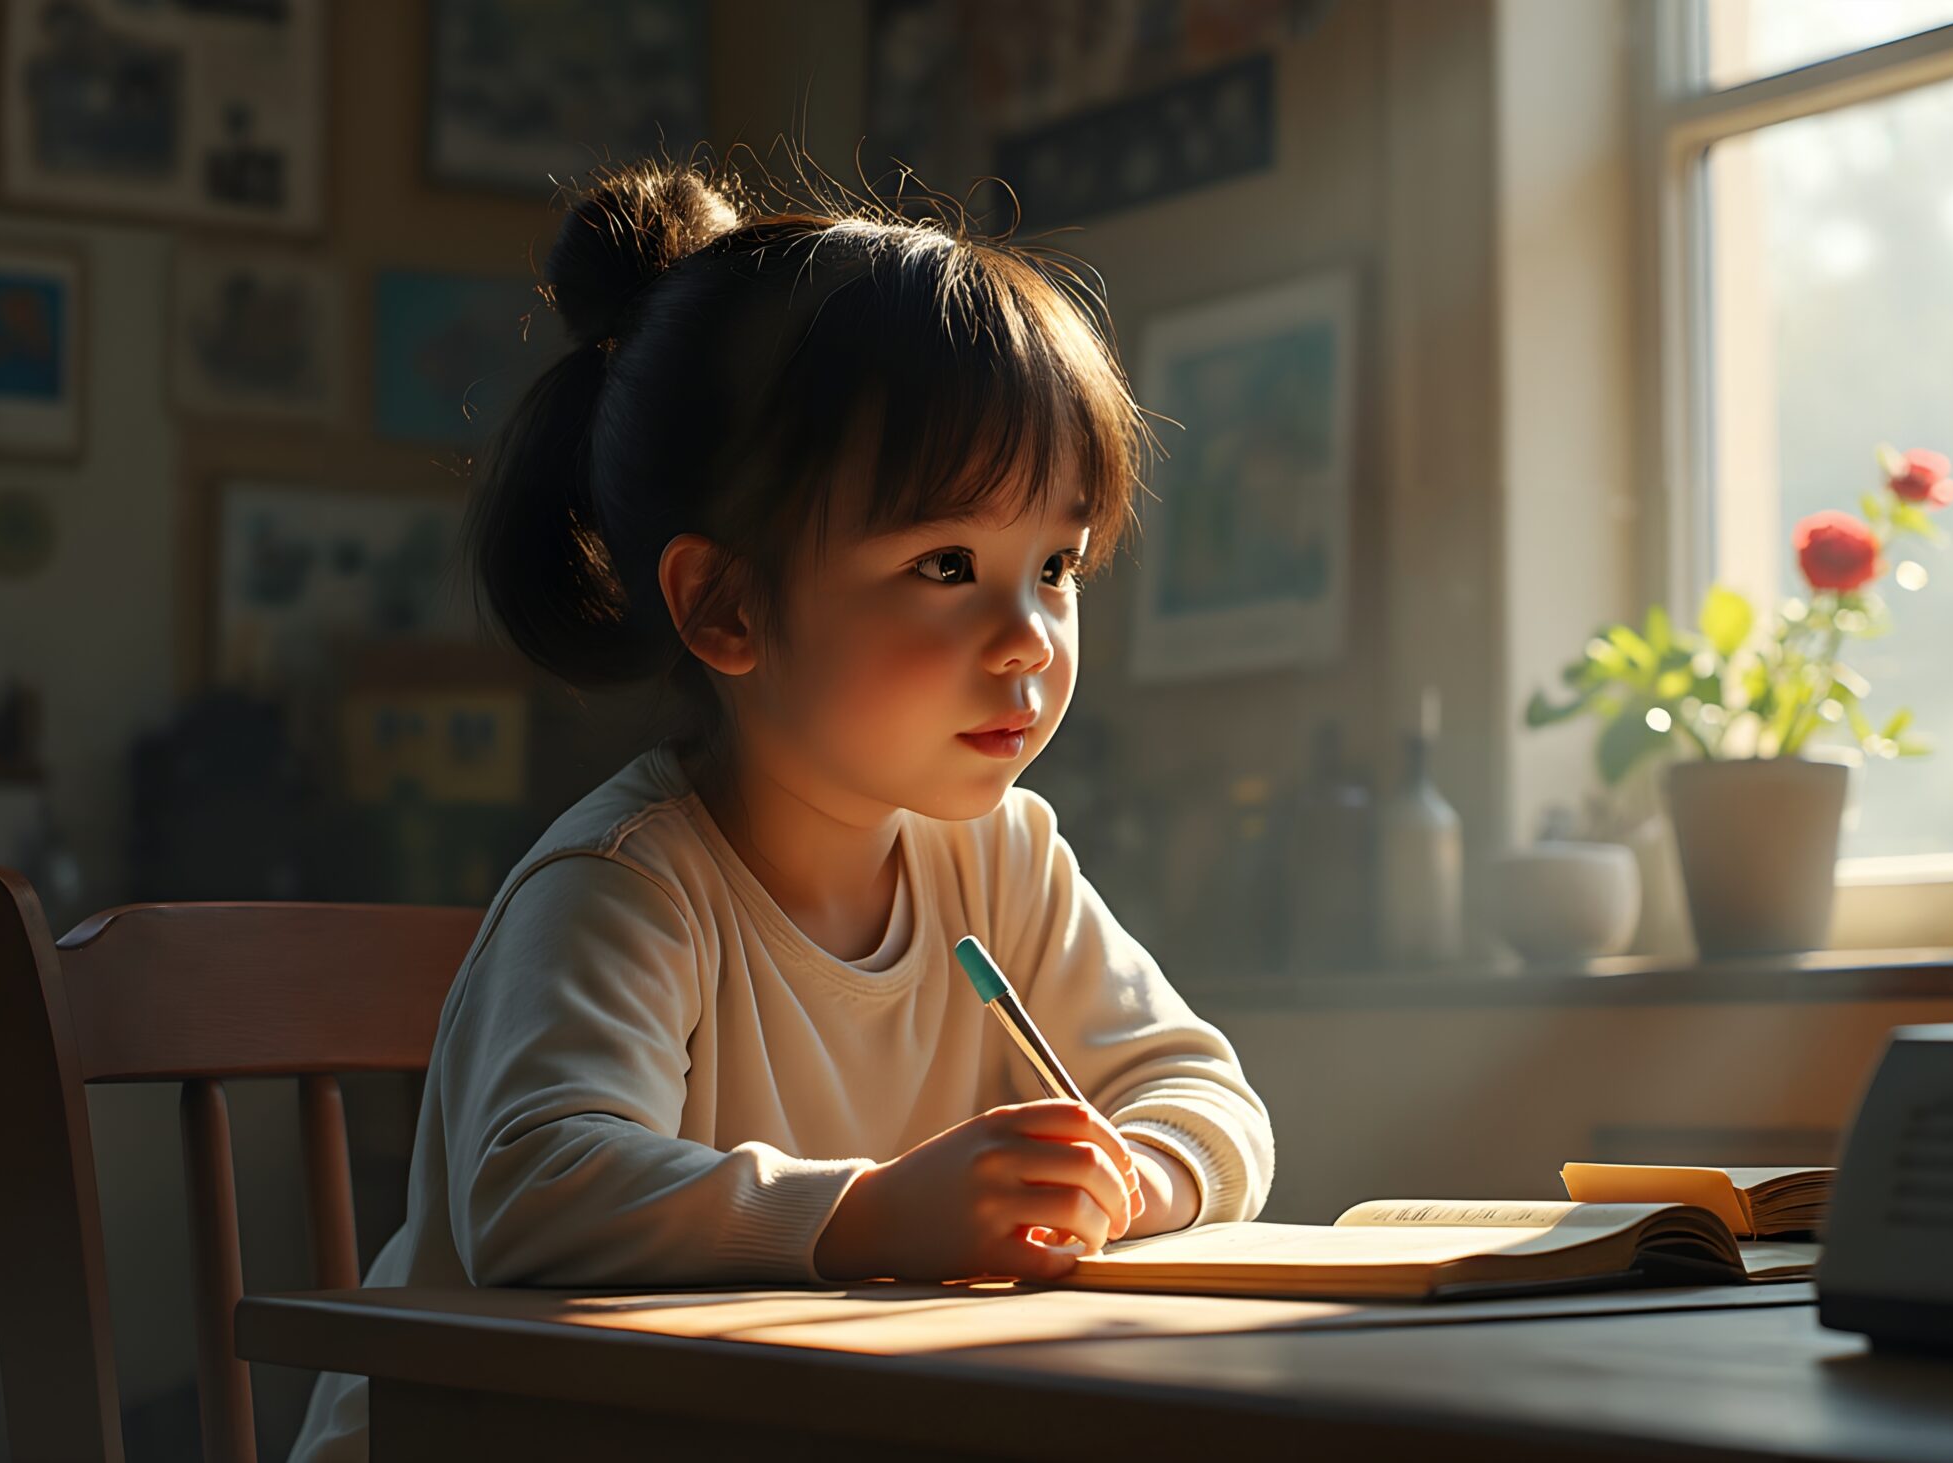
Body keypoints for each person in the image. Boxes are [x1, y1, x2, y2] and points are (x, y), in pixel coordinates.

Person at [288, 158, 1275, 1461]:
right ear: (729, 610)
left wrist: (1129, 1179)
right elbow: (537, 1189)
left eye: (1058, 565)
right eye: (946, 565)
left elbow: (1205, 1094)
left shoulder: (1007, 861)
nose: (1031, 637)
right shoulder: (625, 884)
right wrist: (873, 1214)